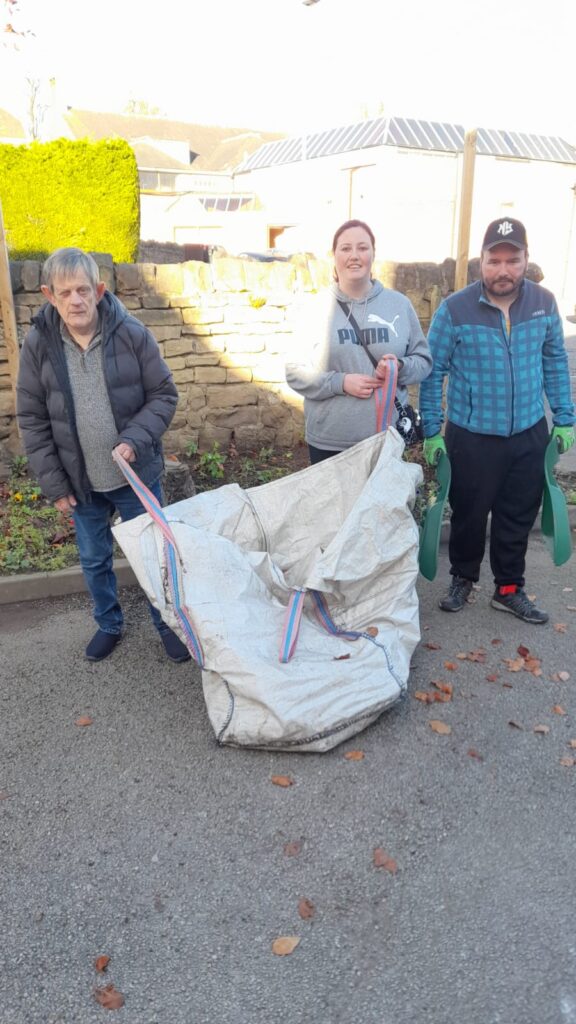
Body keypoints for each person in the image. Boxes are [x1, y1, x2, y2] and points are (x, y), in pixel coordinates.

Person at [16, 247, 191, 663]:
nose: (75, 300)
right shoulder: (39, 345)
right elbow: (33, 417)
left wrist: (134, 438)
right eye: (64, 293)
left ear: (98, 289)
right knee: (95, 560)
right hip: (81, 482)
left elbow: (164, 394)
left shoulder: (131, 334)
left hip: (135, 477)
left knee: (151, 556)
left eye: (82, 290)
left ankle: (166, 623)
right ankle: (109, 623)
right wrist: (55, 483)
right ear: (48, 295)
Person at [420, 217, 575, 624]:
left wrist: (564, 418)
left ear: (526, 259)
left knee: (517, 514)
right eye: (494, 260)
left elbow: (555, 361)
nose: (503, 269)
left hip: (528, 432)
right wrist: (432, 430)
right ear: (481, 262)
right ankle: (463, 578)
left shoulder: (543, 303)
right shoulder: (455, 309)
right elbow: (433, 371)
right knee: (469, 513)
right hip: (471, 435)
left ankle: (508, 588)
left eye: (513, 259)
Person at [285, 220, 432, 463]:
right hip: (328, 441)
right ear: (334, 256)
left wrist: (399, 368)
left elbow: (424, 362)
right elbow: (294, 372)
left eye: (362, 248)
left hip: (386, 439)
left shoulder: (399, 305)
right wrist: (341, 382)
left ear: (373, 254)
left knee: (382, 503)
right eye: (345, 248)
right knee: (332, 503)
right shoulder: (315, 308)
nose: (354, 256)